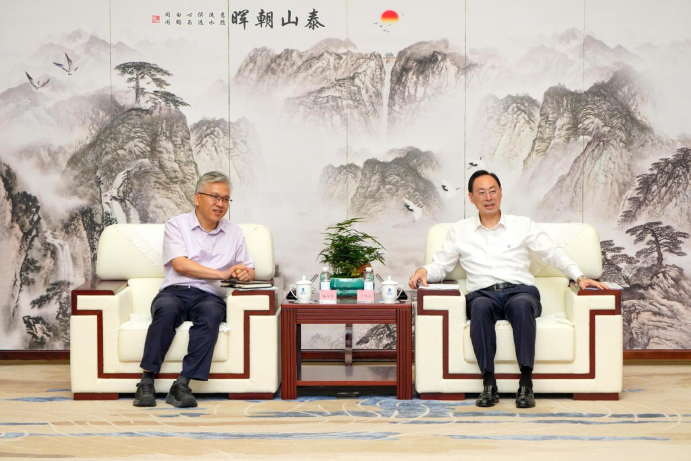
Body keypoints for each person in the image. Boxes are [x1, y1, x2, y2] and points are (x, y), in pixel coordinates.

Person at [408, 170, 607, 409]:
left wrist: (580, 276)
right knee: (480, 307)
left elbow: (553, 253)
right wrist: (424, 270)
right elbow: (442, 265)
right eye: (482, 192)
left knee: (522, 305)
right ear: (471, 197)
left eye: (493, 191)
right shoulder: (459, 231)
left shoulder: (522, 225)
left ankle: (526, 383)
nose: (488, 197)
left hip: (520, 291)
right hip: (483, 294)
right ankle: (489, 384)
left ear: (501, 193)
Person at [133, 171, 255, 408]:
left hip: (210, 296)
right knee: (166, 311)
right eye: (215, 197)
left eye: (225, 199)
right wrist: (222, 274)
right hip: (175, 292)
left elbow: (249, 270)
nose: (220, 204)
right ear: (197, 198)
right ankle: (146, 381)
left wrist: (245, 274)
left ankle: (182, 384)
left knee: (212, 315)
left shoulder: (234, 233)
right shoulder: (176, 225)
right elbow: (180, 264)